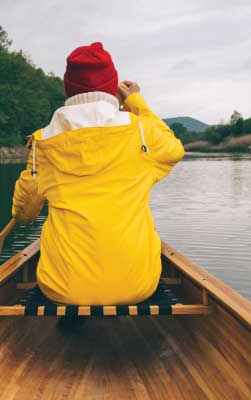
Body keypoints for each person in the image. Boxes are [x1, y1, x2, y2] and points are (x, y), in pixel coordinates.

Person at [12, 42, 184, 306]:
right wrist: (136, 102)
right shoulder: (142, 133)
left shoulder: (42, 143)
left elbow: (25, 215)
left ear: (68, 88)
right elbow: (175, 150)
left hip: (62, 289)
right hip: (139, 285)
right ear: (112, 88)